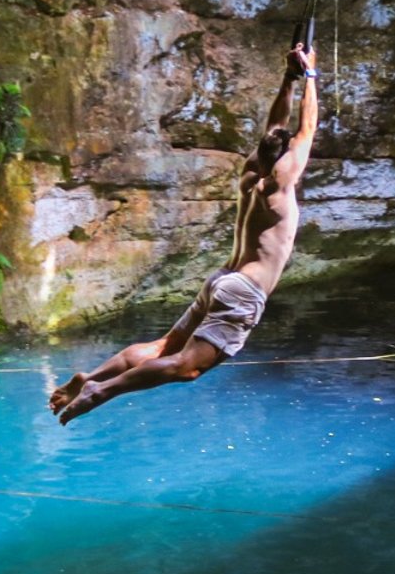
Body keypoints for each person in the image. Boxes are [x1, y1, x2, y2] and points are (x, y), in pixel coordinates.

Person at [51, 42, 319, 425]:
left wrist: (289, 78)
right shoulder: (278, 186)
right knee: (185, 367)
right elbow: (306, 128)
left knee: (165, 346)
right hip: (243, 291)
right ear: (287, 162)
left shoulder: (252, 172)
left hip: (222, 280)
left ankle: (92, 377)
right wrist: (311, 74)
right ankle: (100, 390)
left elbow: (276, 127)